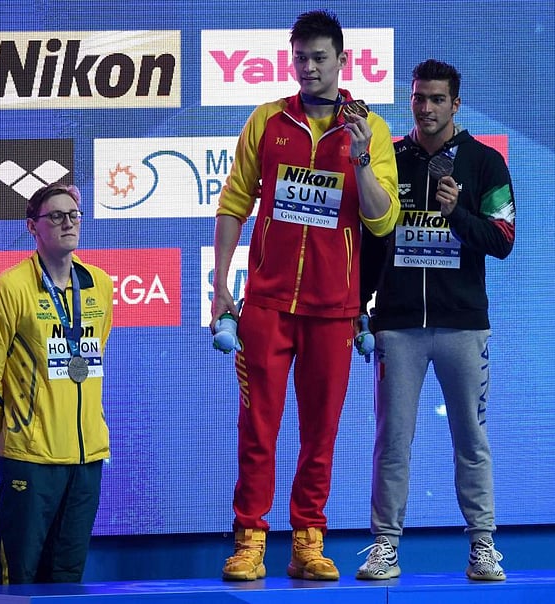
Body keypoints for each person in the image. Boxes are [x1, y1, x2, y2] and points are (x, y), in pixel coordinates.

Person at [210, 9, 400, 582]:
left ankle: (308, 541)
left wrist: (360, 156)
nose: (310, 67)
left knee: (321, 435)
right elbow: (234, 203)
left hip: (335, 311)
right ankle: (249, 541)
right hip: (267, 306)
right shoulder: (267, 120)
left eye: (320, 58)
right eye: (301, 58)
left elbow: (382, 219)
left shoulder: (372, 129)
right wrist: (220, 285)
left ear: (343, 61)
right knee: (257, 431)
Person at [355, 59, 515, 582]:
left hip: (463, 327)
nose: (426, 108)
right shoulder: (391, 160)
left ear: (456, 105)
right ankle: (384, 546)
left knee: (471, 438)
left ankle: (483, 546)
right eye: (419, 98)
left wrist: (457, 214)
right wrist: (360, 305)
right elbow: (372, 239)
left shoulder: (485, 162)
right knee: (392, 441)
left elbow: (503, 240)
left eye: (437, 99)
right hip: (398, 326)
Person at [0, 182, 114, 584]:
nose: (68, 223)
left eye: (74, 215)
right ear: (32, 226)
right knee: (19, 576)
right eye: (56, 216)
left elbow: (93, 358)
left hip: (86, 459)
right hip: (30, 459)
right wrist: (12, 432)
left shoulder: (100, 285)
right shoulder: (6, 290)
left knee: (67, 576)